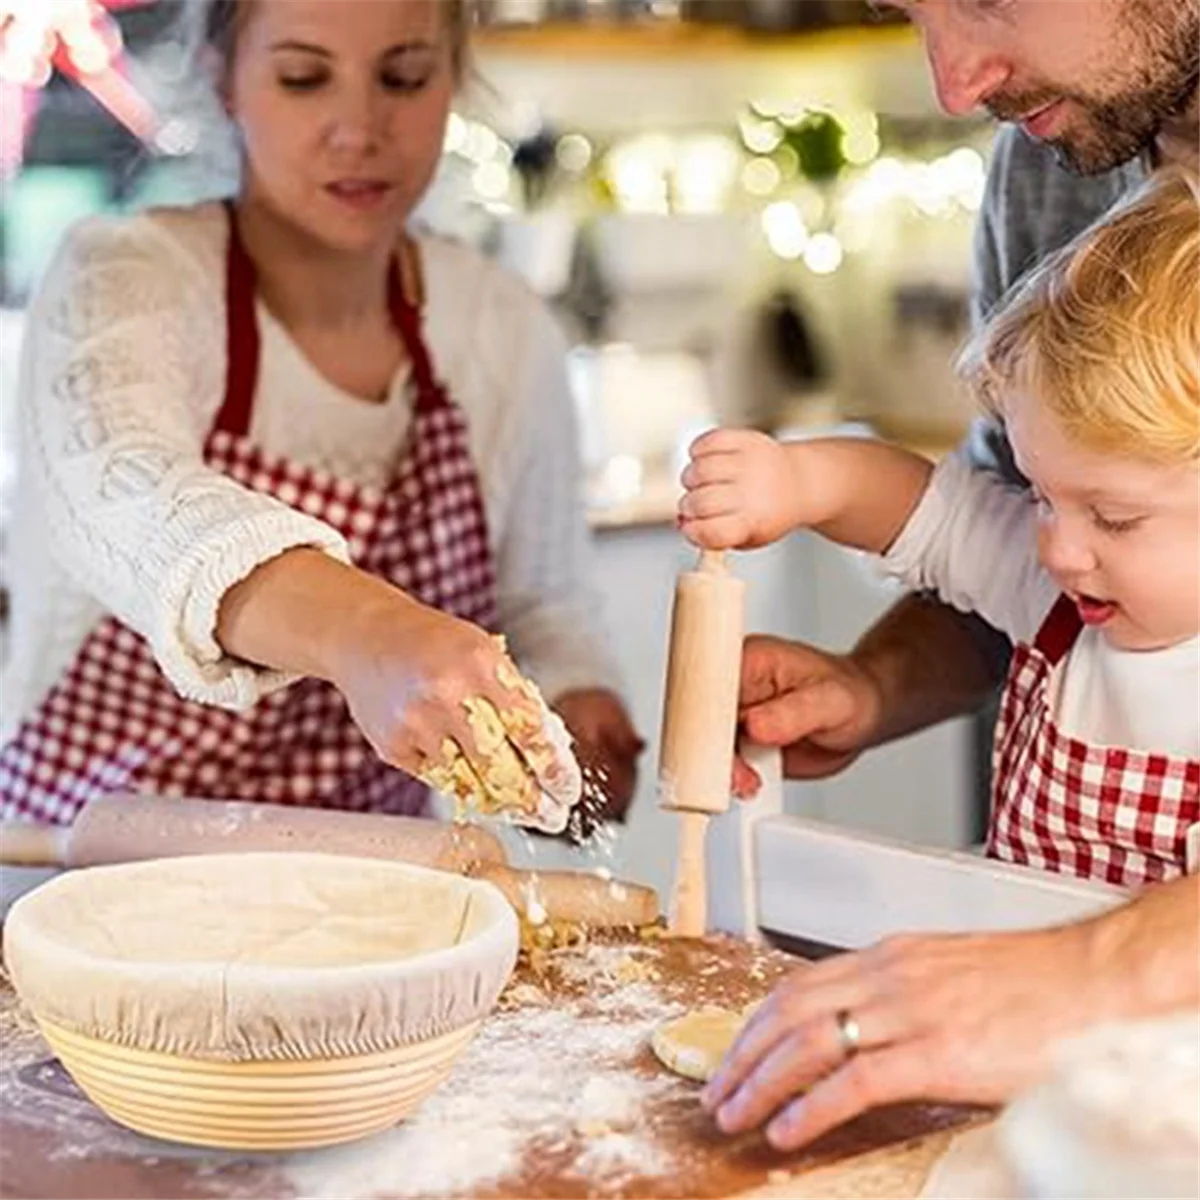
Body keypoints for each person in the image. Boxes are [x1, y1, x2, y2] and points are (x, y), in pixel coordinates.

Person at [687, 0, 1200, 1148]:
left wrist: (1080, 974)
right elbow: (968, 518)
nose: (955, 85)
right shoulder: (1057, 162)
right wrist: (871, 681)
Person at [0, 0, 642, 829]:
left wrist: (576, 712)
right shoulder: (120, 280)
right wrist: (370, 635)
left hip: (370, 894)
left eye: (403, 78)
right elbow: (132, 498)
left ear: (453, 80)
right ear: (222, 79)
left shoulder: (504, 328)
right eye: (304, 78)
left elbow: (546, 607)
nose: (359, 130)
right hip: (87, 878)